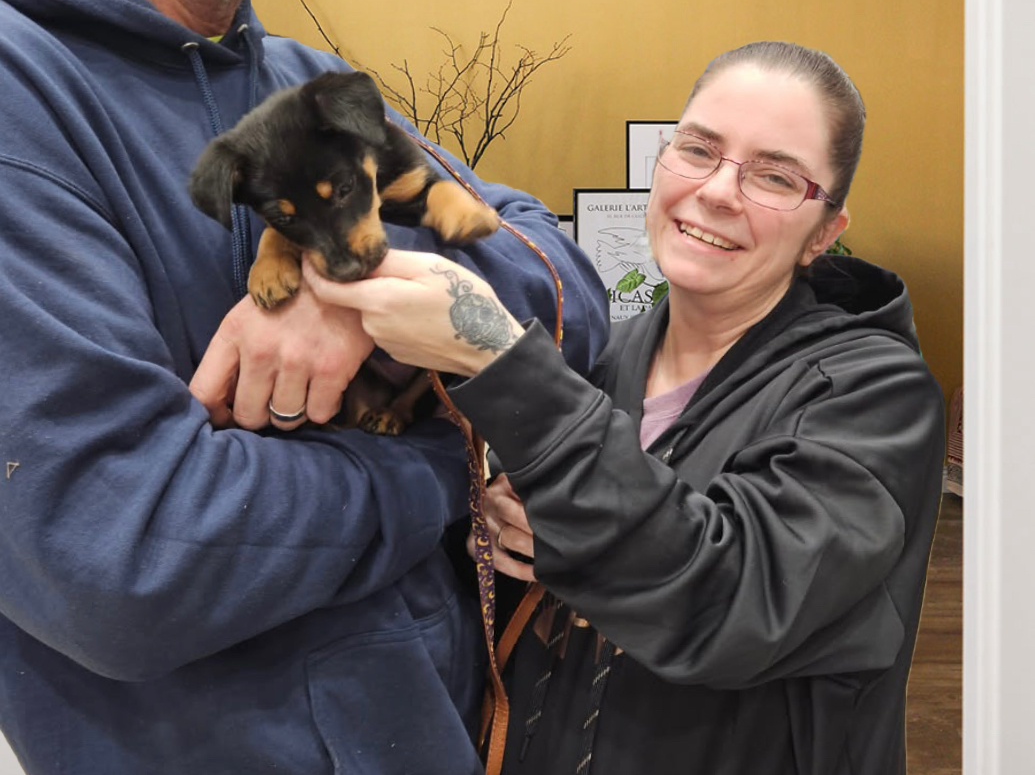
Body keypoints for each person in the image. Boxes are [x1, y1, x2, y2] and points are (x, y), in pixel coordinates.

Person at [0, 0, 609, 775]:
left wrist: (354, 291)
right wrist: (448, 463)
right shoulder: (26, 90)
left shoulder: (310, 88)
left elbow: (566, 283)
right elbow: (125, 561)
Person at [302, 41, 946, 775]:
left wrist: (497, 358)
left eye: (775, 176)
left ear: (823, 232)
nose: (718, 191)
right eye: (698, 149)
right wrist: (489, 523)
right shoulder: (601, 354)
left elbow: (727, 601)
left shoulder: (874, 395)